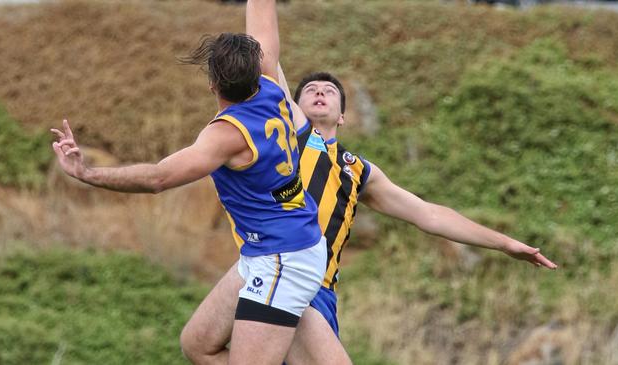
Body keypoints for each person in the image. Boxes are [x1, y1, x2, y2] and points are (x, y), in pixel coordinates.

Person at [179, 1, 558, 364]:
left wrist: (504, 242)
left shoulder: (357, 171)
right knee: (198, 346)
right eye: (309, 89)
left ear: (343, 116)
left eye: (330, 90)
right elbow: (265, 49)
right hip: (281, 275)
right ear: (290, 103)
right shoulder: (287, 132)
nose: (320, 90)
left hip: (319, 290)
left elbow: (429, 215)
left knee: (200, 347)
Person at [51, 9, 328, 364]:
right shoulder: (271, 81)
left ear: (212, 84)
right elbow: (261, 12)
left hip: (283, 258)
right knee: (197, 344)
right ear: (257, 67)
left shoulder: (226, 136)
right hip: (273, 248)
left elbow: (157, 178)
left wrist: (86, 173)